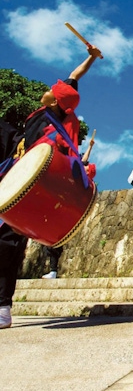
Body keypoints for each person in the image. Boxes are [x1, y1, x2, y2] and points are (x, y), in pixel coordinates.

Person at [0, 44, 102, 329]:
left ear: (56, 102)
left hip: (30, 182)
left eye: (52, 90)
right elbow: (75, 74)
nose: (48, 89)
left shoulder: (55, 125)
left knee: (7, 243)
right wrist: (92, 56)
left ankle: (3, 307)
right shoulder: (52, 107)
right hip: (15, 160)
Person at [42, 148, 97, 279]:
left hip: (65, 211)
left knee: (55, 240)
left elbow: (82, 162)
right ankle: (53, 270)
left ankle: (53, 270)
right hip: (58, 208)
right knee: (51, 241)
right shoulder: (72, 174)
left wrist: (89, 147)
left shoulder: (81, 178)